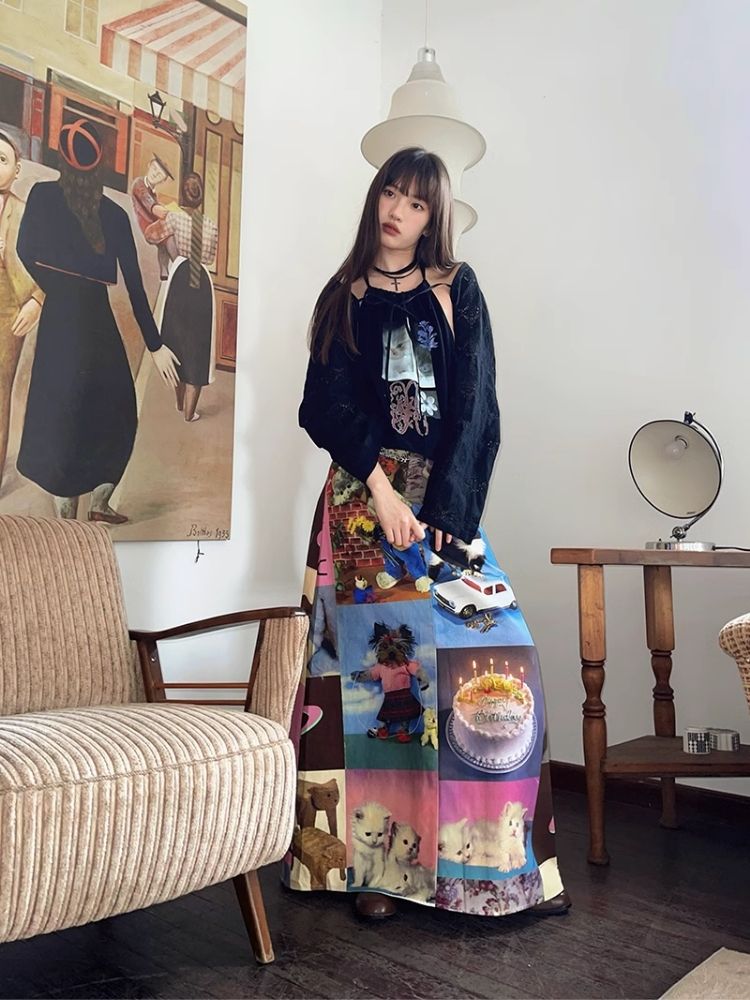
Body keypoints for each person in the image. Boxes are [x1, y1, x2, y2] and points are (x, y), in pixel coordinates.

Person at [284, 147, 569, 920]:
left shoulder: (455, 288)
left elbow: (478, 405)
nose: (398, 212)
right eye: (391, 193)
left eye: (416, 203)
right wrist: (379, 489)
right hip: (360, 504)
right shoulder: (343, 295)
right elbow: (321, 407)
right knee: (372, 692)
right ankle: (374, 874)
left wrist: (447, 516)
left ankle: (498, 869)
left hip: (442, 505)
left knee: (494, 664)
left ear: (433, 216)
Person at [16, 117, 180, 522]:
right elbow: (136, 287)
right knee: (100, 412)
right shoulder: (113, 213)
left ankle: (86, 511)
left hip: (64, 317)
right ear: (101, 164)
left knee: (73, 412)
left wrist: (52, 287)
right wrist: (155, 344)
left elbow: (25, 250)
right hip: (91, 318)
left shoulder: (45, 197)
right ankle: (85, 510)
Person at [157, 171, 218, 422]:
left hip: (179, 279)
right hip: (201, 283)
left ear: (183, 194)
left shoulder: (172, 217)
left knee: (177, 341)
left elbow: (164, 245)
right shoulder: (211, 225)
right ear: (201, 197)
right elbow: (210, 258)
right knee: (197, 346)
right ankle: (190, 413)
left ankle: (179, 403)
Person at [0, 130, 42, 491]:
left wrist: (36, 300)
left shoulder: (27, 212)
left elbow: (47, 264)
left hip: (9, 303)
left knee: (0, 389)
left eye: (2, 159)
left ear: (17, 169)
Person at [131, 154, 178, 280]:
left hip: (153, 224)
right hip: (145, 225)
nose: (155, 174)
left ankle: (165, 272)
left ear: (162, 180)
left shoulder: (154, 193)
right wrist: (157, 209)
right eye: (154, 169)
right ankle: (179, 265)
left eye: (160, 175)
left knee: (167, 235)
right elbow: (147, 201)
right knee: (169, 236)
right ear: (149, 166)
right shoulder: (139, 183)